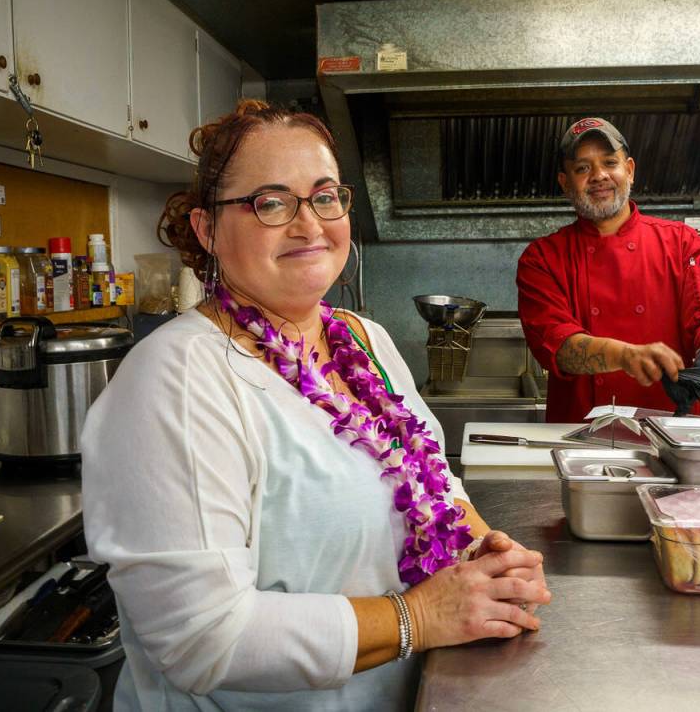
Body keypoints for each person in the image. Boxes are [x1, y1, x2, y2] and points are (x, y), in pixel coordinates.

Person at [81, 100, 551, 711]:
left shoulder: (363, 338)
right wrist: (419, 617)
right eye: (271, 203)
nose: (310, 225)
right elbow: (203, 639)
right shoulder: (176, 378)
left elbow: (434, 484)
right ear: (206, 229)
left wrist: (489, 557)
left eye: (325, 196)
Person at [517, 117, 700, 423]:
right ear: (565, 182)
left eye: (609, 162)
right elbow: (559, 347)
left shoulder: (682, 243)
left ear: (629, 170)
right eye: (582, 168)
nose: (599, 176)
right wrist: (626, 356)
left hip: (672, 432)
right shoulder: (542, 258)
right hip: (579, 436)